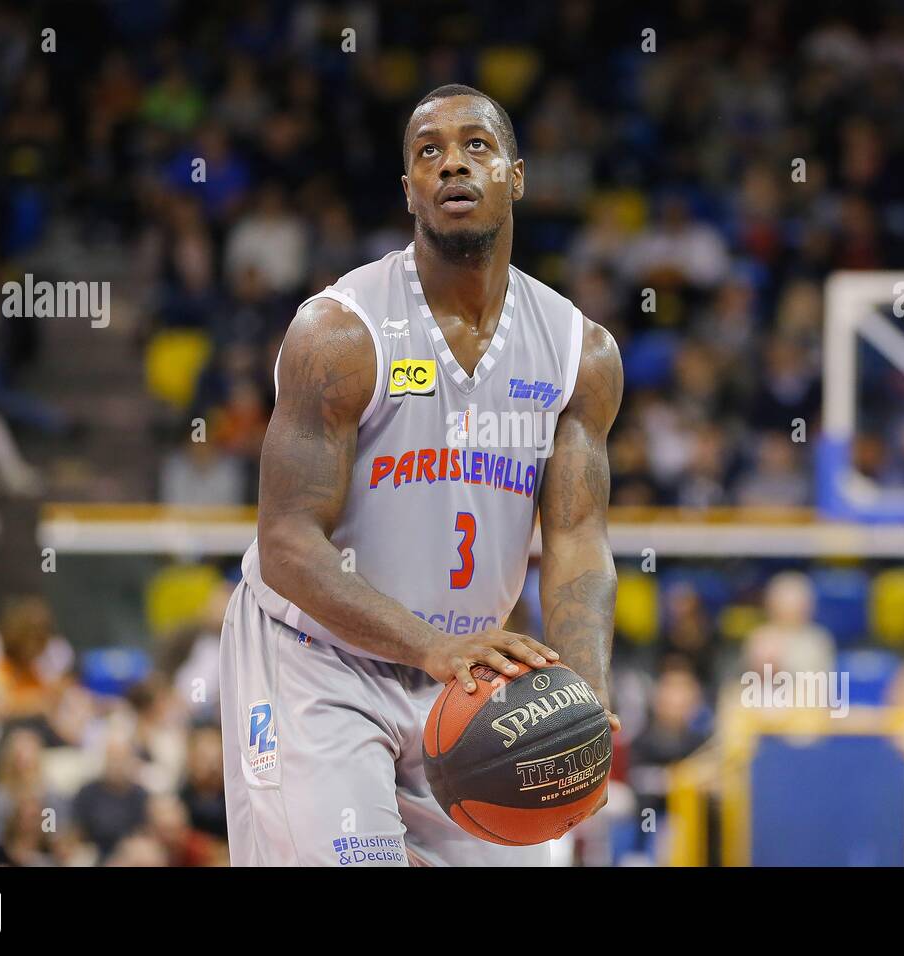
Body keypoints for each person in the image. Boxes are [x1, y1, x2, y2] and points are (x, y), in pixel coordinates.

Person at [220, 84, 623, 866]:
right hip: (317, 657)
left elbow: (576, 538)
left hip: (471, 678)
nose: (451, 164)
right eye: (427, 152)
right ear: (409, 190)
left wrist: (588, 687)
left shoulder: (582, 353)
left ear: (516, 175)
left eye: (476, 145)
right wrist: (430, 646)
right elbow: (288, 544)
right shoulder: (339, 333)